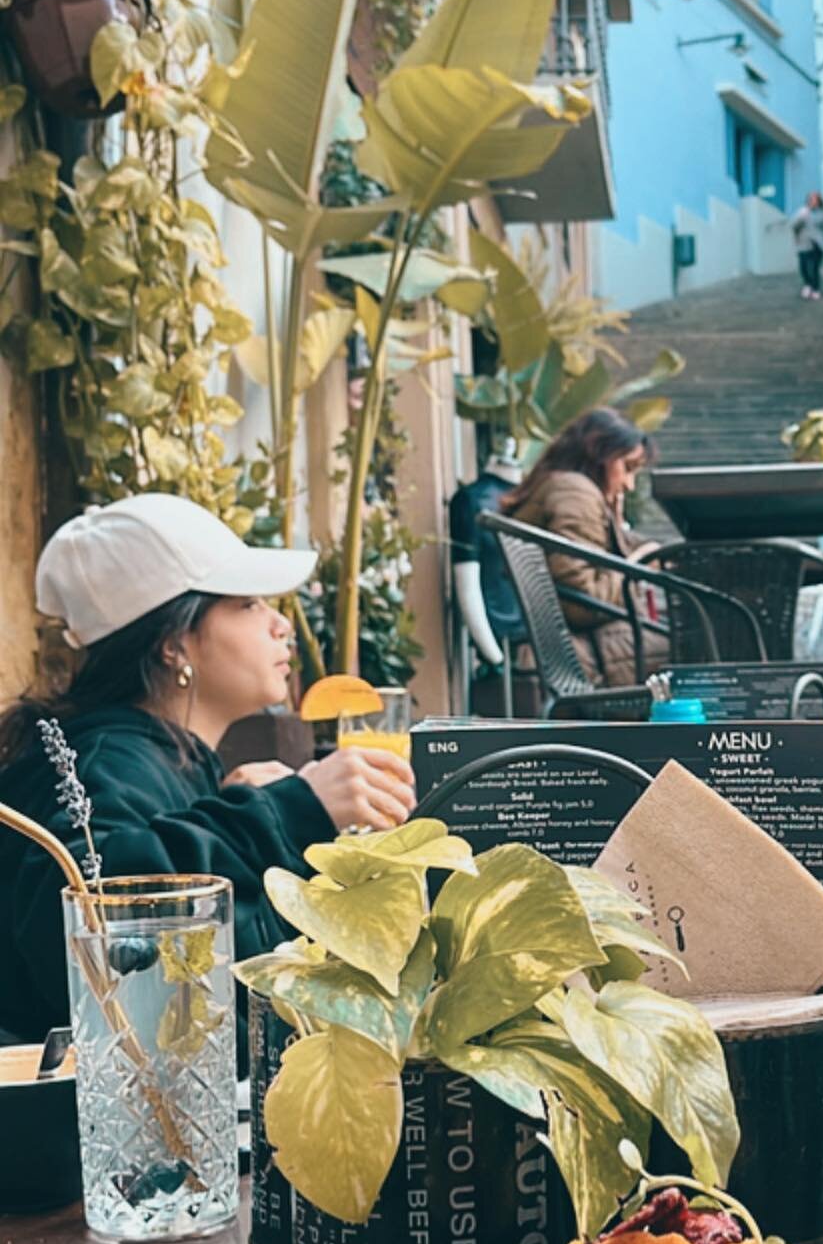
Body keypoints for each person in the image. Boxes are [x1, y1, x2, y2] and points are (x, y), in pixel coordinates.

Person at [0, 494, 417, 1044]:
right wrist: (285, 811)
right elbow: (84, 909)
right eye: (247, 604)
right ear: (174, 643)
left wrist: (229, 805)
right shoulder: (104, 760)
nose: (280, 625)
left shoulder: (168, 758)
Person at [500, 407, 668, 688]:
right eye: (627, 468)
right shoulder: (574, 493)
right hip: (586, 654)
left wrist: (616, 519)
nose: (629, 484)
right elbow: (581, 601)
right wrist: (637, 569)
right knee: (702, 643)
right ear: (599, 455)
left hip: (581, 646)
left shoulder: (564, 487)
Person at [789, 192, 823, 300]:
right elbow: (793, 225)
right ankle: (807, 285)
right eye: (810, 199)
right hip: (803, 243)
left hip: (818, 244)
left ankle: (816, 289)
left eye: (815, 199)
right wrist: (801, 217)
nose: (812, 201)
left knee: (814, 268)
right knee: (803, 267)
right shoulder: (802, 211)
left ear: (819, 201)